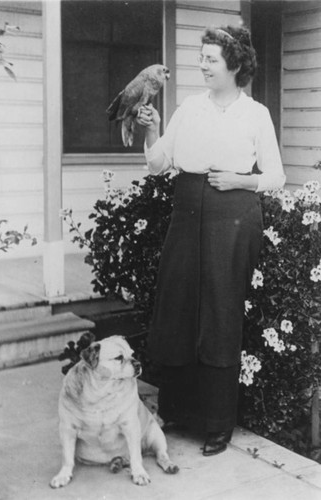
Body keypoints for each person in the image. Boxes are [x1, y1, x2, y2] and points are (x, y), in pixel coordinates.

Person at [136, 25, 286, 456]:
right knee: (179, 302)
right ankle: (178, 410)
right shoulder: (189, 107)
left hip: (232, 215)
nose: (201, 65)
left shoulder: (255, 114)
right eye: (201, 57)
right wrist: (153, 130)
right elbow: (158, 163)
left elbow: (276, 176)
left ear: (234, 66)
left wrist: (240, 179)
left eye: (210, 59)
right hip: (186, 211)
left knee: (220, 311)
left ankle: (218, 424)